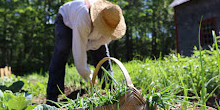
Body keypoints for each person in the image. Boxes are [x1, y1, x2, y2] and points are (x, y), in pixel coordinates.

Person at [46, 0, 126, 105]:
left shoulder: (111, 21)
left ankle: (110, 90)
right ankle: (52, 97)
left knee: (103, 56)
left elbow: (100, 44)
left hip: (88, 30)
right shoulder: (83, 19)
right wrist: (90, 78)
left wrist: (88, 46)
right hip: (66, 19)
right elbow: (79, 55)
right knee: (62, 50)